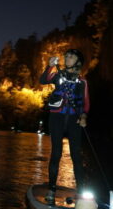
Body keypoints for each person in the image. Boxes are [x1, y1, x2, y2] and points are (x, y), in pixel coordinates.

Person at [39, 49, 90, 204]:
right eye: (66, 56)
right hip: (57, 118)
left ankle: (81, 192)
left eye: (71, 56)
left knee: (76, 156)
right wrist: (49, 66)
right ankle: (51, 190)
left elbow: (86, 103)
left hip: (74, 120)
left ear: (78, 61)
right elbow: (43, 80)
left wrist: (84, 116)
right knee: (56, 153)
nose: (67, 58)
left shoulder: (83, 82)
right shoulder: (57, 75)